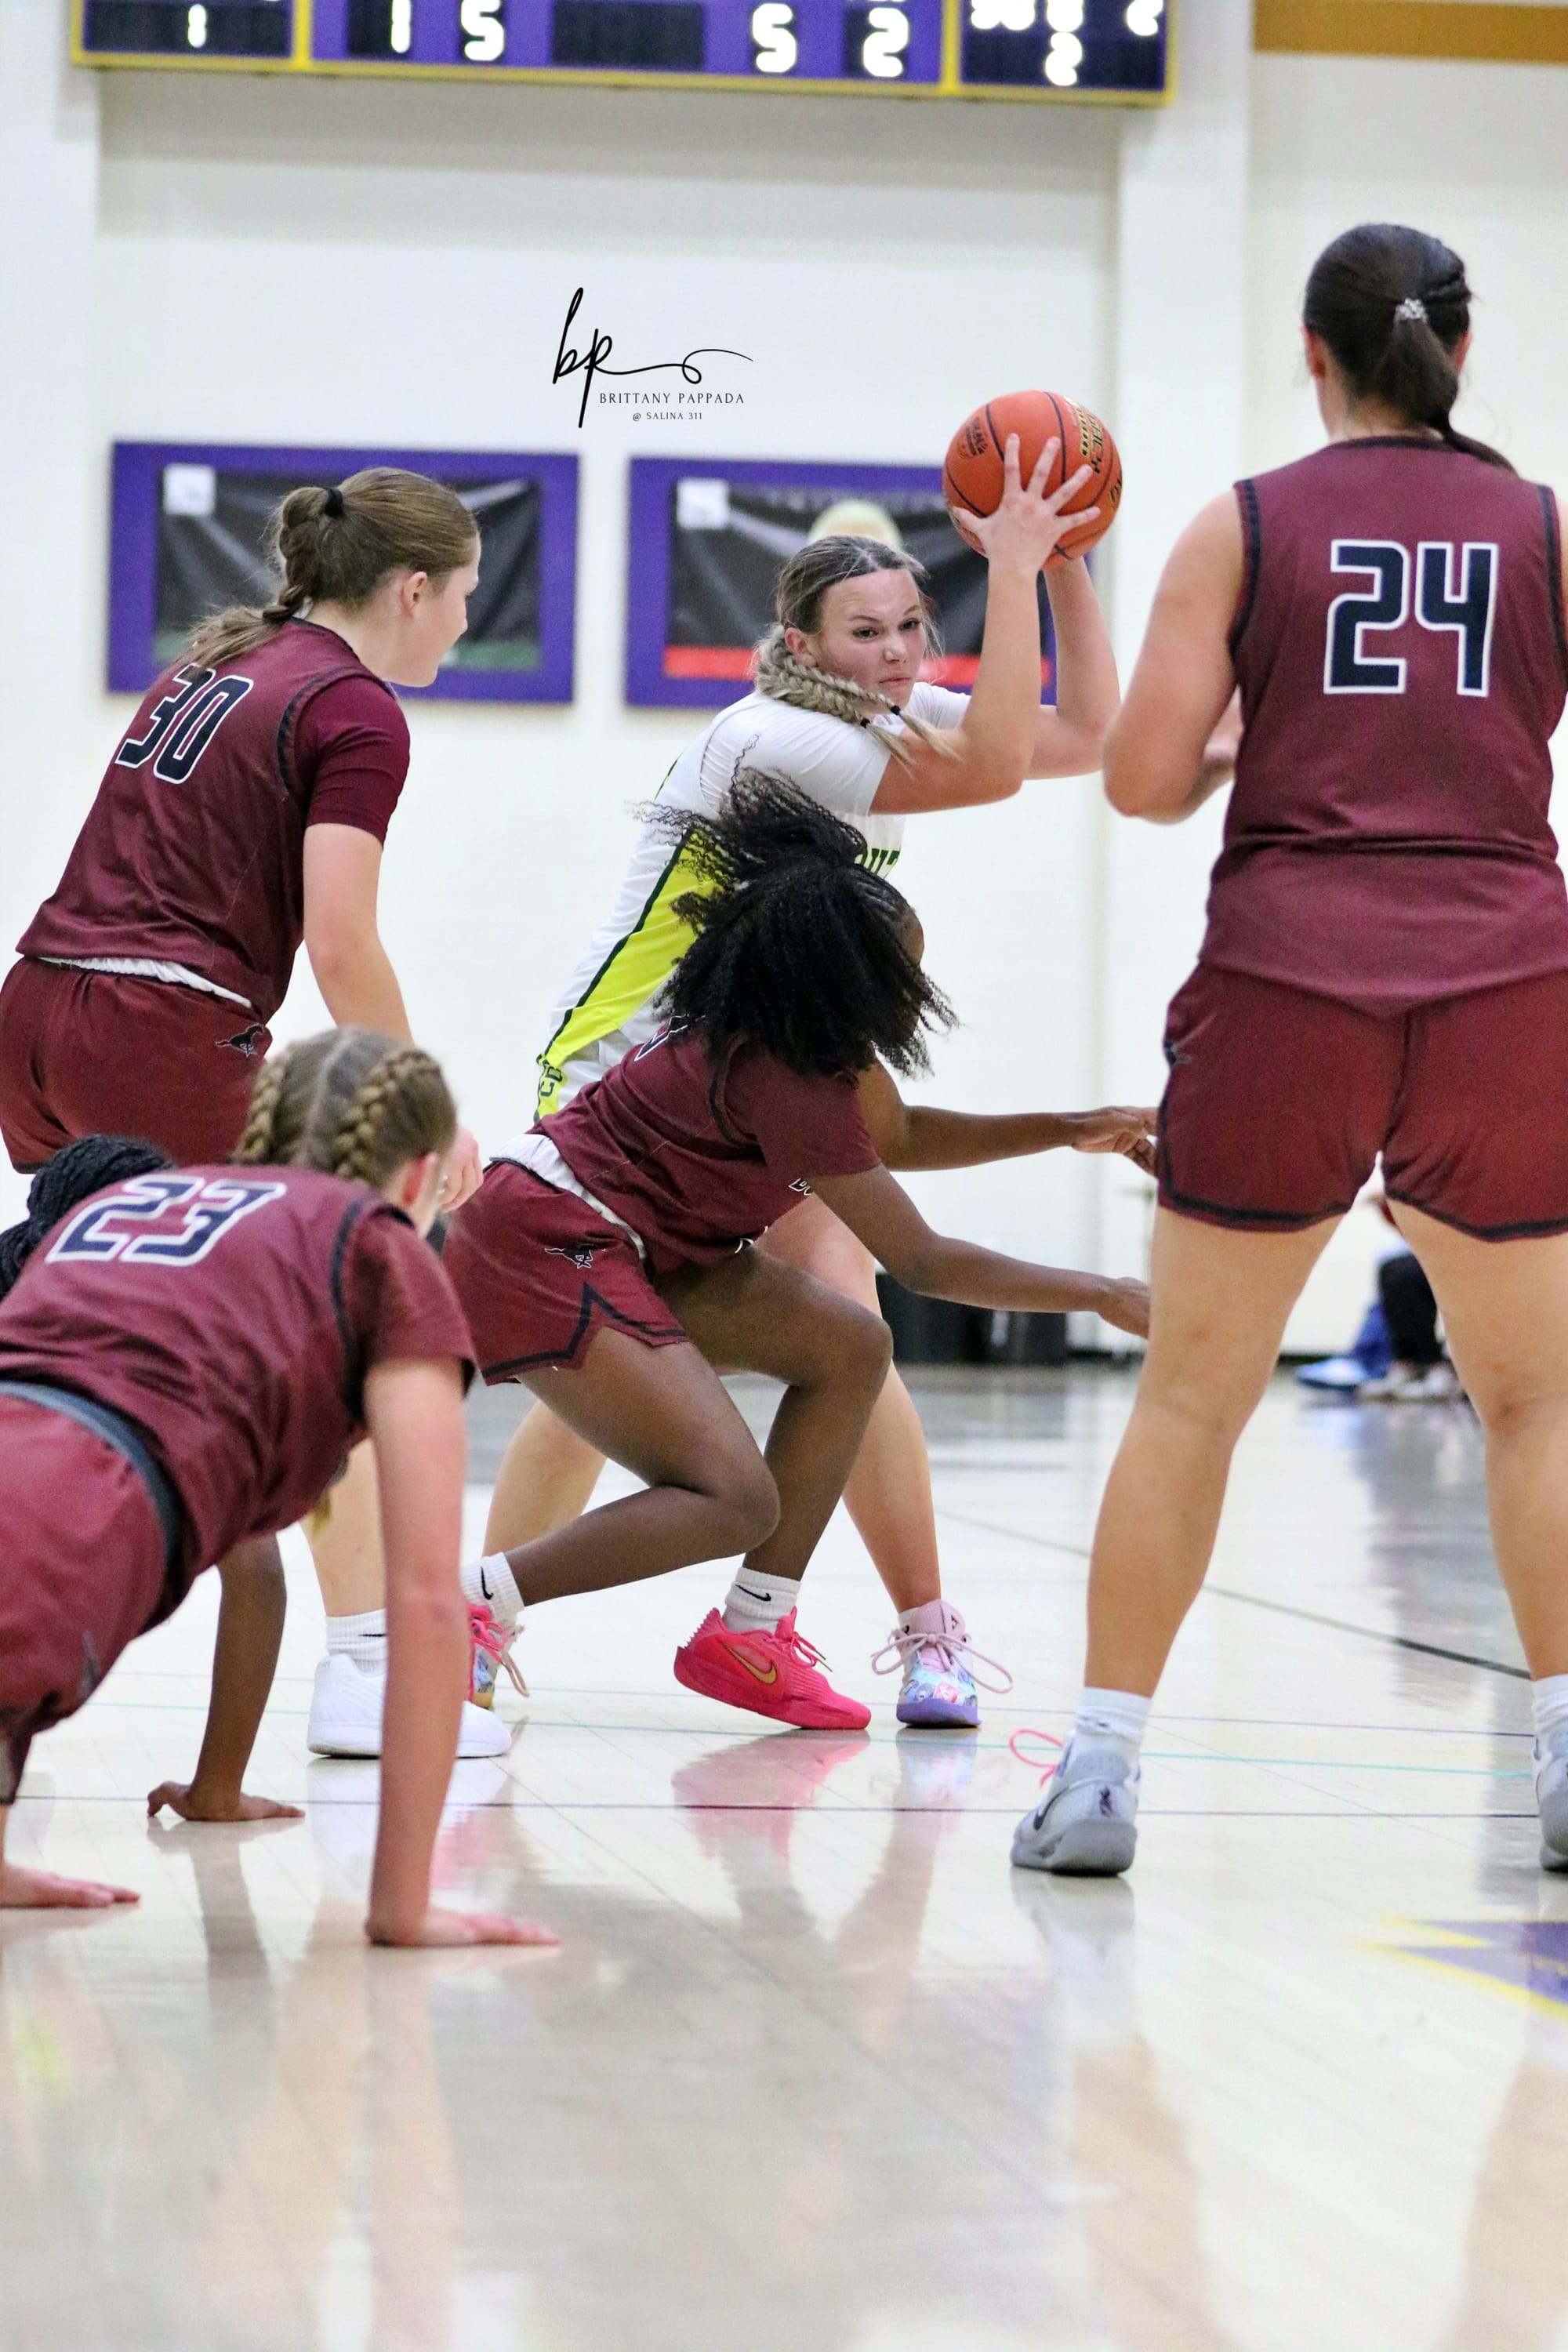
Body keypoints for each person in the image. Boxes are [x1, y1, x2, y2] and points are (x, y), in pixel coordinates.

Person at [1011, 221, 1568, 1877]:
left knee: (1191, 1398)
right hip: (1504, 978)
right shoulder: (1545, 529)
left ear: (1312, 355)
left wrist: (1245, 741)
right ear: (1459, 351)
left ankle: (1098, 1775)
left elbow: (1137, 781)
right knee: (1536, 1403)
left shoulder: (1242, 525)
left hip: (1285, 980)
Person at [500, 437, 1122, 1728]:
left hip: (742, 1077)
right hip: (628, 1072)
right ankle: (477, 1627)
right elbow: (1002, 763)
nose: (896, 653)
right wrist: (1011, 563)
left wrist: (1064, 562)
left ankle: (854, 1629)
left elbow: (1081, 735)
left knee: (835, 1325)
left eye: (911, 626)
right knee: (617, 1364)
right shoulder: (783, 739)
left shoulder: (878, 721)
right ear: (800, 642)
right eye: (865, 632)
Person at [444, 776, 1151, 1730]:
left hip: (637, 1241)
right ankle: (464, 1609)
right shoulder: (788, 1075)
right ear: (843, 977)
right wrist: (1103, 1294)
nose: (916, 990)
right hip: (547, 1238)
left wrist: (1066, 1128)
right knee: (731, 1499)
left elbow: (899, 1135)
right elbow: (923, 1262)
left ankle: (750, 1633)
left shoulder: (811, 1043)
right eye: (902, 971)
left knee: (850, 1347)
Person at [0, 466, 497, 1759]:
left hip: (40, 1009)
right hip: (157, 1028)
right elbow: (341, 939)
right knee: (349, 1307)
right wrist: (421, 1108)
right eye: (463, 596)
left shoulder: (219, 662)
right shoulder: (355, 707)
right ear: (411, 590)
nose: (463, 624)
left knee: (70, 1304)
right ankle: (372, 1670)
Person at [0, 1028, 549, 1947]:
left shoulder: (139, 1200)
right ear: (421, 1178)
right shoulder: (378, 1246)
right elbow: (424, 1599)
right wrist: (401, 1906)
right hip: (69, 1528)